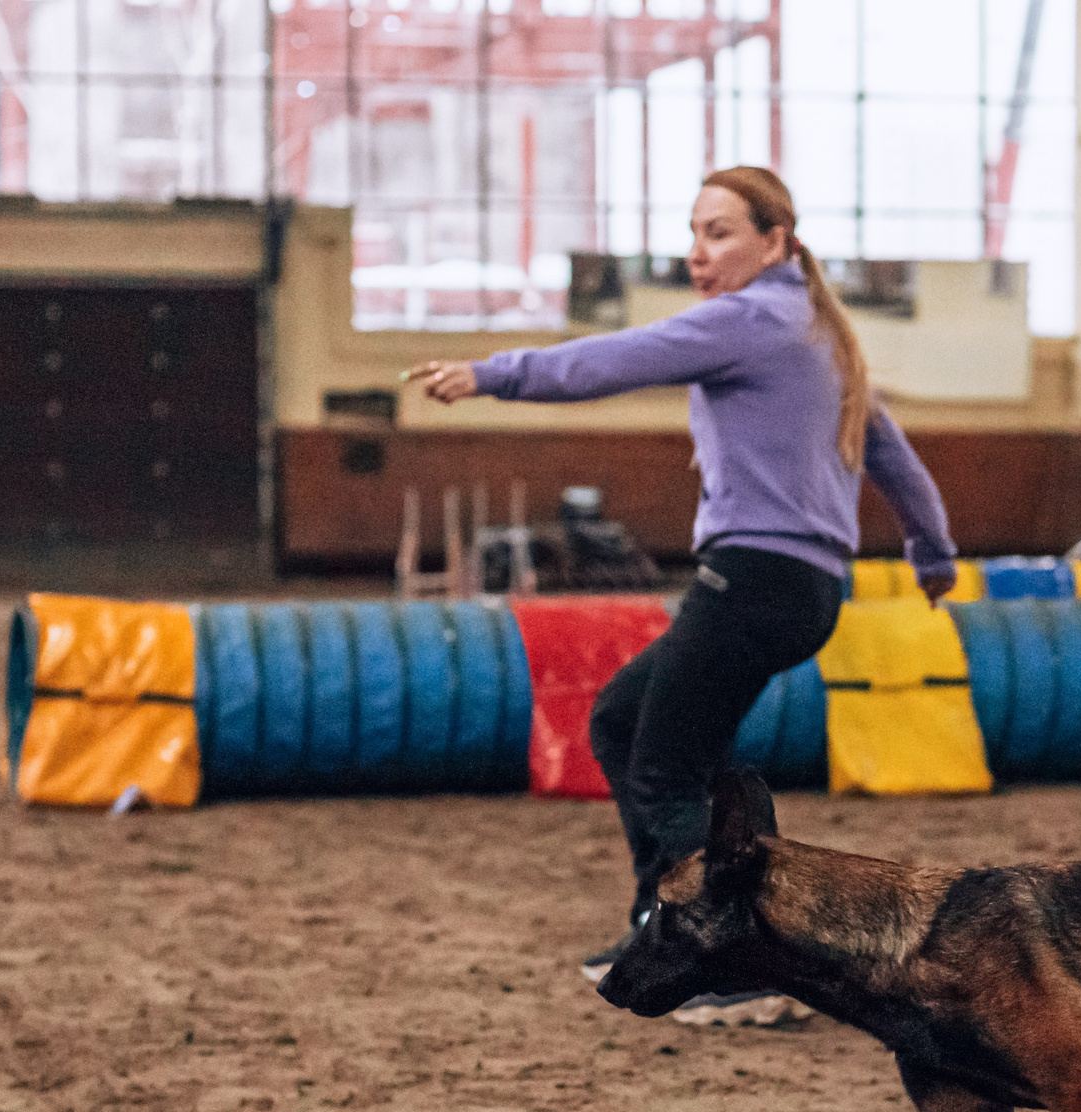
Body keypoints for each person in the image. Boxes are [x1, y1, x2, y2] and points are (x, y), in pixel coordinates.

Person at [410, 165, 960, 1025]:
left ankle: (735, 957)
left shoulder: (750, 320)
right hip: (807, 588)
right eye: (694, 234)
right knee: (626, 722)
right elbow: (891, 455)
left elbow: (615, 359)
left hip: (752, 578)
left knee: (664, 763)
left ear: (776, 241)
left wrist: (495, 373)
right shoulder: (819, 333)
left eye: (719, 233)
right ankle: (661, 926)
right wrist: (934, 553)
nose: (698, 254)